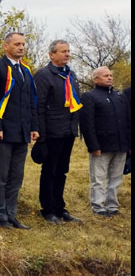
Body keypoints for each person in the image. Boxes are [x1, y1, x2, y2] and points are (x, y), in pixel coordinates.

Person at [0, 32, 39, 229]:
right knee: (2, 176)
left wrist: (34, 127)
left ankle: (11, 213)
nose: (21, 47)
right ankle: (0, 216)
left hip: (22, 132)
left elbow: (31, 101)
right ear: (5, 46)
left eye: (23, 44)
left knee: (17, 175)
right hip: (4, 132)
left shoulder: (25, 70)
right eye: (17, 44)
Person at [32, 40, 82, 224]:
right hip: (52, 132)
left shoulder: (71, 75)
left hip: (68, 131)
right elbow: (40, 107)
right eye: (63, 51)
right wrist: (42, 135)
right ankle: (48, 209)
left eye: (68, 51)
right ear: (52, 55)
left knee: (62, 171)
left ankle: (60, 208)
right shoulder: (44, 76)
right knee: (50, 171)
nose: (67, 54)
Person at [79, 67, 130, 216]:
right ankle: (98, 206)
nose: (109, 78)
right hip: (101, 146)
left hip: (121, 145)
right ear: (96, 79)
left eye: (110, 75)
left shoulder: (120, 96)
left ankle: (112, 205)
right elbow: (87, 124)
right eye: (105, 76)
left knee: (116, 178)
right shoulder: (89, 96)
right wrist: (93, 146)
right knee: (99, 178)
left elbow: (128, 121)